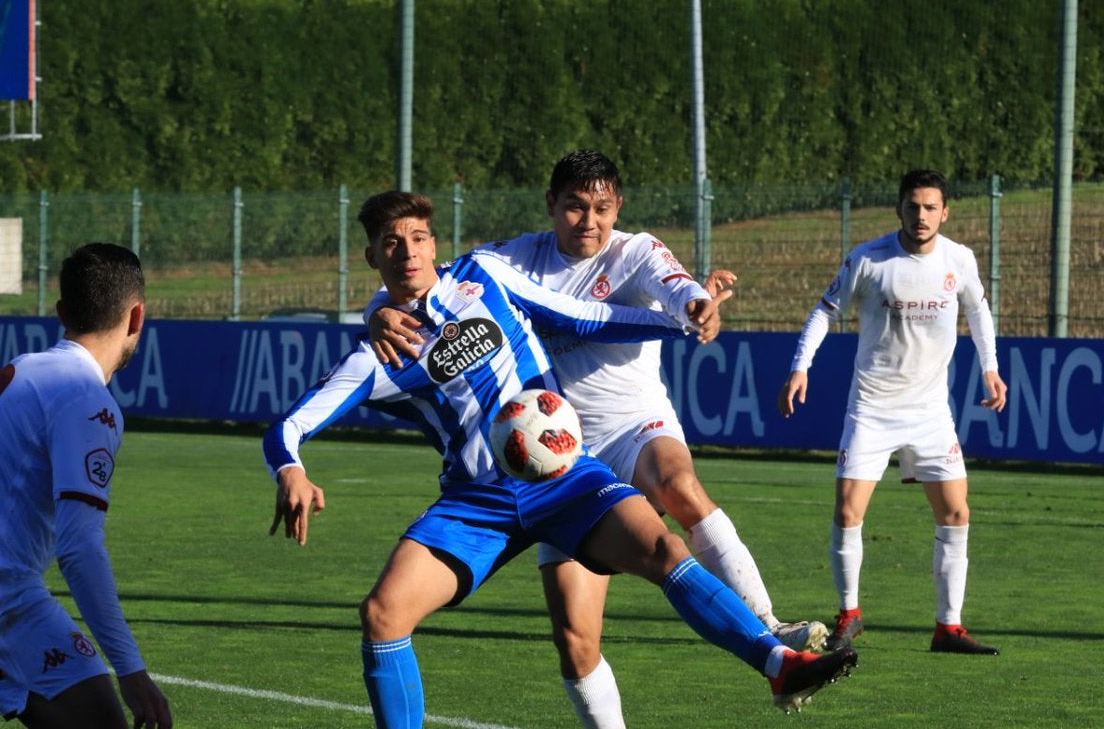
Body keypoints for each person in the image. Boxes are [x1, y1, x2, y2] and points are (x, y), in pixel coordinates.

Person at [265, 191, 856, 729]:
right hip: (478, 501)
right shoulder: (377, 354)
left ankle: (778, 663)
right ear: (371, 256)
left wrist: (677, 319)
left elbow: (581, 317)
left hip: (566, 477)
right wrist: (290, 467)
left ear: (435, 244)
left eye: (418, 238)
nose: (407, 252)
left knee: (663, 547)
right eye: (391, 243)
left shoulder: (485, 275)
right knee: (382, 614)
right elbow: (288, 426)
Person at [777, 168, 1008, 656]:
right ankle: (850, 615)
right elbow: (825, 311)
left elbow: (979, 311)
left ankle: (949, 628)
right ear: (898, 208)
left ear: (945, 212)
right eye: (912, 206)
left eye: (930, 207)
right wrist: (801, 368)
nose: (921, 216)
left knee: (956, 512)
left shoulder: (959, 260)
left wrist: (991, 368)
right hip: (873, 408)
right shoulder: (869, 259)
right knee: (847, 511)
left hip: (930, 412)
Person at [0, 243, 173, 729]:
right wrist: (132, 669)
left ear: (61, 313)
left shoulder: (22, 371)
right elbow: (78, 548)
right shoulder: (87, 401)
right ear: (136, 316)